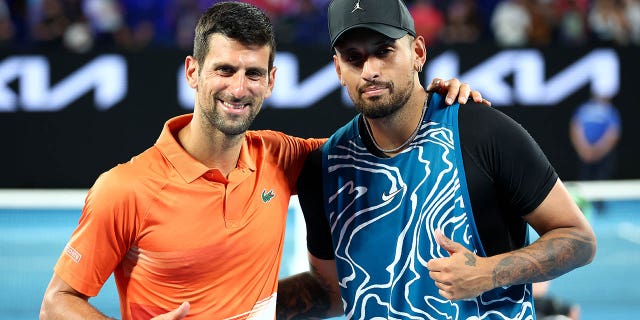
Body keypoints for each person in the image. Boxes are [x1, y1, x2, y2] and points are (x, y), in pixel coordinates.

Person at [39, 2, 485, 319]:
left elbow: (381, 140)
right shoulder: (124, 188)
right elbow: (57, 301)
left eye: (253, 74)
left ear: (271, 81)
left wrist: (433, 102)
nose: (238, 88)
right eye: (224, 70)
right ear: (193, 72)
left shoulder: (281, 155)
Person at [277, 0, 597, 319]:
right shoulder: (325, 167)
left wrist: (489, 272)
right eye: (353, 58)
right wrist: (233, 298)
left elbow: (579, 238)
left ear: (418, 52)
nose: (370, 70)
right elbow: (331, 294)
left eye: (384, 51)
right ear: (338, 69)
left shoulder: (481, 132)